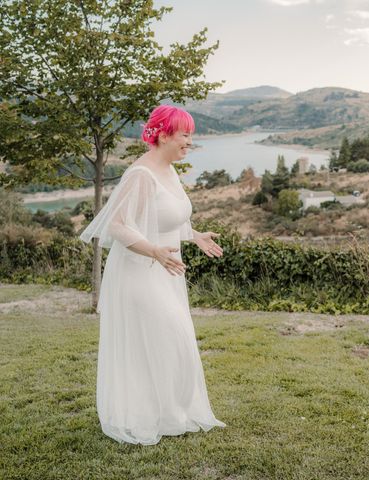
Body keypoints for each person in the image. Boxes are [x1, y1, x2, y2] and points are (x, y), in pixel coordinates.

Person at [80, 105, 226, 445]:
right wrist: (155, 252)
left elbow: (169, 216)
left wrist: (195, 236)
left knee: (171, 341)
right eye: (185, 134)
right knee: (170, 337)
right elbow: (117, 226)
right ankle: (143, 414)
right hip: (140, 272)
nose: (190, 141)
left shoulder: (169, 171)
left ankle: (168, 413)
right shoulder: (141, 175)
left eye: (191, 134)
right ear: (162, 134)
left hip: (165, 270)